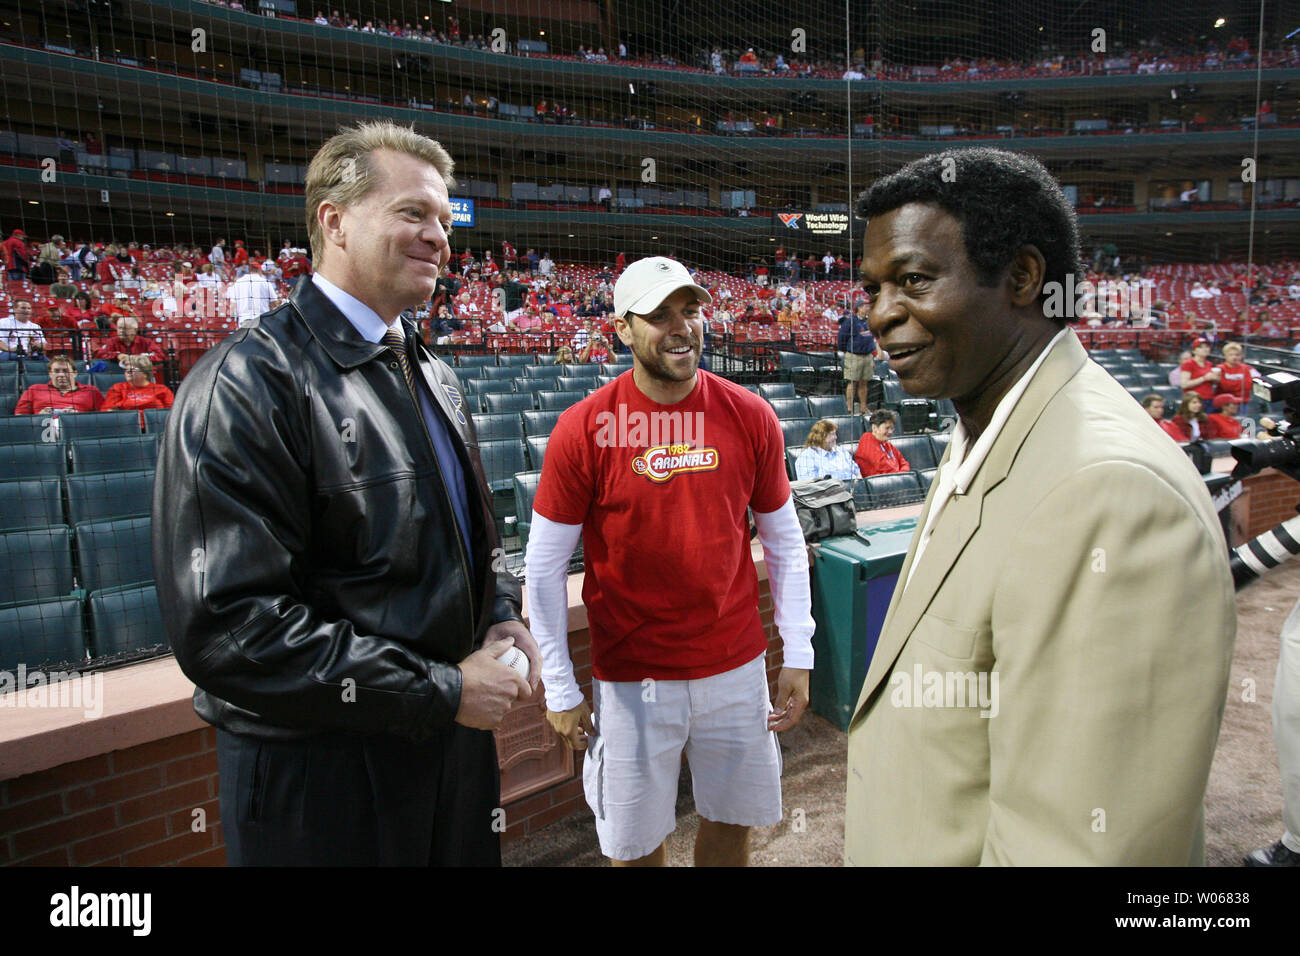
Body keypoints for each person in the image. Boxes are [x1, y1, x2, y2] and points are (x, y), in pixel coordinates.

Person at [153, 120, 539, 867]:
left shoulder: (434, 373)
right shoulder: (247, 383)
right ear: (333, 220)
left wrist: (498, 614)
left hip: (448, 755)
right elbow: (230, 627)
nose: (440, 237)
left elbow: (470, 541)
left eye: (442, 218)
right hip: (322, 781)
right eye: (412, 214)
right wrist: (437, 689)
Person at [844, 148, 1234, 866]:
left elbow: (1078, 849)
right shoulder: (986, 419)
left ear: (1023, 278)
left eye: (914, 280)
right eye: (872, 289)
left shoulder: (1110, 492)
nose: (880, 313)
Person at [525, 256, 814, 867]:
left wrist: (799, 649)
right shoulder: (582, 429)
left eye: (691, 309)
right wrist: (557, 682)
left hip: (735, 664)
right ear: (622, 330)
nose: (681, 326)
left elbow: (784, 541)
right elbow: (544, 566)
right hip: (631, 676)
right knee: (633, 848)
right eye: (658, 315)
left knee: (734, 824)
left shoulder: (751, 415)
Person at [13, 353, 104, 414]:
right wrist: (38, 418)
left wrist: (79, 417)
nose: (61, 374)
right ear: (50, 374)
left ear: (75, 373)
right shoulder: (34, 389)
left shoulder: (91, 391)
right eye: (56, 371)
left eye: (65, 371)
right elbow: (20, 417)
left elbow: (103, 419)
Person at [838, 301, 878, 414]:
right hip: (854, 355)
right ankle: (849, 408)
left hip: (868, 356)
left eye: (868, 306)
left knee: (864, 383)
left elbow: (873, 338)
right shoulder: (850, 321)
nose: (868, 308)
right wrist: (846, 350)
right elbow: (842, 337)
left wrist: (873, 357)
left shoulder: (870, 321)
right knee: (852, 382)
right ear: (858, 308)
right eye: (865, 306)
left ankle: (863, 407)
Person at [795, 420, 860, 481]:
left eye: (835, 433)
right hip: (828, 492)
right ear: (820, 437)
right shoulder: (806, 457)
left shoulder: (842, 451)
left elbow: (857, 473)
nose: (836, 437)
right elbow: (809, 486)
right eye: (832, 434)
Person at [102, 356, 174, 410]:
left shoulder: (162, 389)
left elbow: (171, 411)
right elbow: (107, 413)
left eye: (132, 369)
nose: (128, 372)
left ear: (145, 373)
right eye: (126, 369)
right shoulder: (118, 388)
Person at [853, 409, 910, 476]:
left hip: (895, 480)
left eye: (892, 428)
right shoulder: (867, 440)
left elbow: (904, 463)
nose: (890, 432)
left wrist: (901, 475)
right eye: (887, 428)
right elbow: (883, 467)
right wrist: (900, 475)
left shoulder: (887, 444)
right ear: (874, 428)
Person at [226, 260, 280, 327]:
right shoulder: (265, 282)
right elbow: (274, 304)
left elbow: (233, 305)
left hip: (244, 320)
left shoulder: (238, 282)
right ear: (259, 270)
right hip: (261, 320)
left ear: (249, 269)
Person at [94, 315, 165, 366]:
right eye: (119, 328)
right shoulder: (111, 341)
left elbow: (160, 356)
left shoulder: (146, 342)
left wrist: (139, 358)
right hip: (117, 374)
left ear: (135, 330)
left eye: (125, 328)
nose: (121, 331)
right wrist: (117, 356)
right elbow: (99, 354)